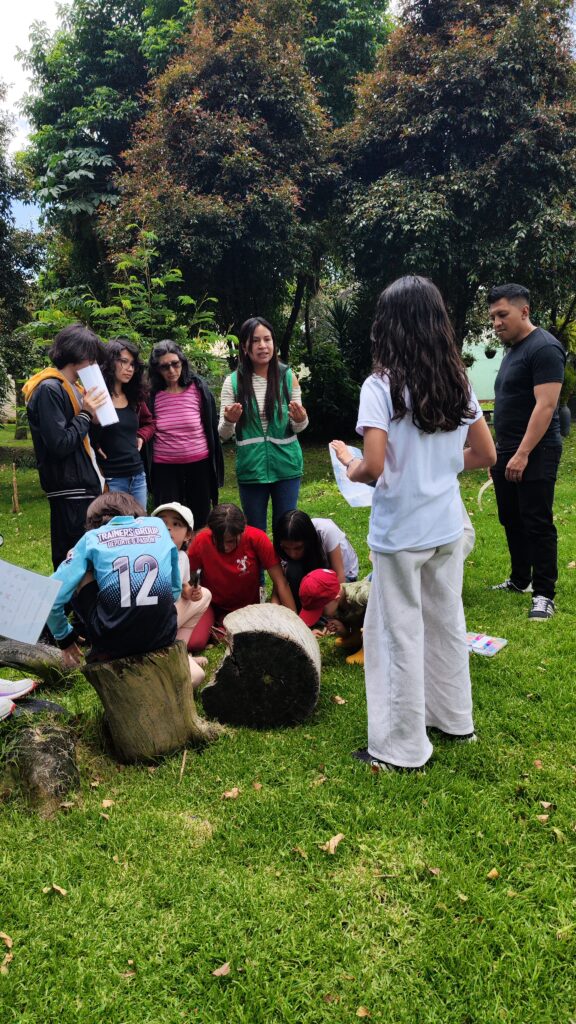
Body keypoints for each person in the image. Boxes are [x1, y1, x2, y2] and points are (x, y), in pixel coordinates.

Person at [332, 275, 496, 772]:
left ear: (389, 326)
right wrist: (439, 468)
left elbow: (376, 466)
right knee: (446, 623)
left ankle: (402, 747)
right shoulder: (458, 381)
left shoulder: (379, 386)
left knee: (396, 632)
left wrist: (347, 460)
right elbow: (485, 453)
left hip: (401, 534)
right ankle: (454, 720)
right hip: (446, 526)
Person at [487, 283, 566, 620]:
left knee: (536, 520)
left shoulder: (545, 347)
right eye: (492, 317)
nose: (496, 323)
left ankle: (545, 593)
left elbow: (545, 407)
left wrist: (522, 454)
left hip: (537, 449)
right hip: (506, 450)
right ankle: (521, 579)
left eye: (502, 315)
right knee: (511, 518)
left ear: (524, 311)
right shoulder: (513, 350)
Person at [46, 492, 181, 668]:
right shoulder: (158, 526)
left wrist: (64, 637)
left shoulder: (91, 539)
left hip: (112, 641)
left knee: (78, 564)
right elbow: (175, 590)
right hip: (164, 635)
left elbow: (49, 595)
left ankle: (100, 642)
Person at [23, 323, 107, 571]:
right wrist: (84, 414)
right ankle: (65, 608)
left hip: (84, 487)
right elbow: (59, 443)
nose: (94, 365)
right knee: (71, 560)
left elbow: (78, 436)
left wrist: (93, 426)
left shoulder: (76, 389)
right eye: (92, 358)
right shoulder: (49, 388)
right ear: (79, 355)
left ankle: (81, 608)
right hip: (69, 491)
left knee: (87, 557)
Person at [219, 317, 308, 533]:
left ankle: (286, 568)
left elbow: (299, 427)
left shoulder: (288, 377)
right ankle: (256, 569)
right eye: (256, 340)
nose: (262, 346)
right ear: (245, 347)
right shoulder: (232, 382)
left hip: (286, 465)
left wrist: (300, 419)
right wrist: (230, 421)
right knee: (254, 532)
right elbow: (222, 434)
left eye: (267, 339)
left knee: (286, 528)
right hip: (251, 468)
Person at [187, 503, 297, 650]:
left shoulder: (257, 538)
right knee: (195, 643)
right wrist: (191, 592)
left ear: (242, 531)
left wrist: (296, 623)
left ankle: (222, 631)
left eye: (231, 541)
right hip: (214, 606)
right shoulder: (201, 541)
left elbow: (280, 582)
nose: (225, 547)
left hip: (249, 609)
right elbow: (186, 579)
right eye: (218, 541)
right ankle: (218, 627)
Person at [148, 340, 224, 530]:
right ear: (156, 369)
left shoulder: (198, 388)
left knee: (200, 518)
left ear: (182, 362)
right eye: (164, 366)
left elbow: (210, 425)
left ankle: (197, 555)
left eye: (175, 364)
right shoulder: (151, 394)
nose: (171, 370)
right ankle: (173, 556)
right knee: (168, 521)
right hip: (164, 467)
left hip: (199, 463)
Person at [152, 501, 212, 687]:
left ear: (188, 536)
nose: (168, 529)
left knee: (205, 594)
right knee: (195, 677)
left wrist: (190, 592)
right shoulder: (151, 554)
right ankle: (170, 658)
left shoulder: (182, 557)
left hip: (171, 615)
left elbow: (183, 585)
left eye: (176, 524)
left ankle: (180, 650)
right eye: (162, 524)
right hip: (154, 620)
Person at [91, 338, 155, 510]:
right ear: (110, 362)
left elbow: (150, 423)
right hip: (112, 478)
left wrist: (141, 436)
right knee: (117, 530)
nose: (130, 368)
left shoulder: (135, 398)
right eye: (124, 362)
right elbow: (87, 432)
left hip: (137, 475)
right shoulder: (96, 396)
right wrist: (95, 441)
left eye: (133, 364)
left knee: (140, 527)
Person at [271, 509, 359, 611]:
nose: (292, 554)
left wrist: (331, 611)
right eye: (286, 548)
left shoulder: (327, 531)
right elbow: (279, 581)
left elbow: (340, 576)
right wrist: (274, 610)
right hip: (312, 573)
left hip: (341, 577)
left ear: (308, 541)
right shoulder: (283, 545)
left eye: (298, 548)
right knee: (292, 570)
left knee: (327, 611)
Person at [298, 568, 371, 665]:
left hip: (384, 617)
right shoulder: (336, 605)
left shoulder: (361, 596)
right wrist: (344, 631)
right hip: (362, 625)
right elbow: (353, 620)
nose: (320, 615)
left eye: (321, 610)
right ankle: (357, 638)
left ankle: (369, 649)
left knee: (373, 615)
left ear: (335, 598)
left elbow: (386, 612)